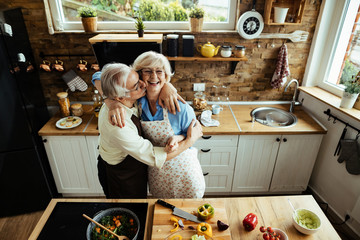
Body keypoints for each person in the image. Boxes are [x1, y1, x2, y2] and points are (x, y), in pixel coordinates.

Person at [97, 63, 203, 199]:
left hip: (138, 164)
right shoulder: (118, 127)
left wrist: (167, 86)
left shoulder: (129, 97)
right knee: (129, 211)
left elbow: (97, 75)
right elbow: (154, 156)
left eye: (139, 78)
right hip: (122, 174)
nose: (143, 84)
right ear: (120, 97)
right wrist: (190, 140)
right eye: (136, 86)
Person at [133, 51, 205, 198]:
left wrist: (178, 138)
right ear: (139, 75)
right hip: (158, 175)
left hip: (185, 175)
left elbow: (194, 135)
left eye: (159, 71)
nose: (154, 76)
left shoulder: (181, 108)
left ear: (166, 76)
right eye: (148, 71)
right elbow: (103, 78)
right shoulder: (137, 103)